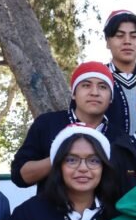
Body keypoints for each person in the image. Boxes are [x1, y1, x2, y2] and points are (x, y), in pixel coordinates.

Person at [11, 62, 113, 192]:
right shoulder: (46, 124)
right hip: (51, 210)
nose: (94, 92)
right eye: (86, 85)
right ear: (74, 94)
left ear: (111, 97)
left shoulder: (120, 137)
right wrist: (59, 156)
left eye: (103, 87)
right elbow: (19, 176)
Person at [103, 10, 136, 137]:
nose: (127, 41)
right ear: (107, 41)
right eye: (119, 35)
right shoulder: (96, 80)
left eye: (134, 36)